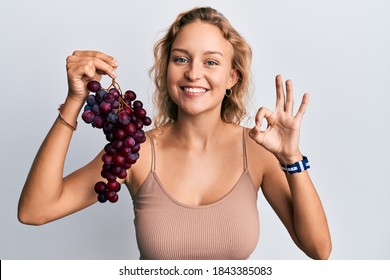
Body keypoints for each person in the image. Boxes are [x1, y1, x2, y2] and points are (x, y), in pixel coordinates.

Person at [18, 6, 331, 260]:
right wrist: (75, 100)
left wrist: (292, 158)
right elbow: (36, 210)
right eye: (181, 59)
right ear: (166, 69)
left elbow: (319, 249)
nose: (194, 73)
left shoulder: (258, 149)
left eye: (211, 62)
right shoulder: (137, 151)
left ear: (231, 77)